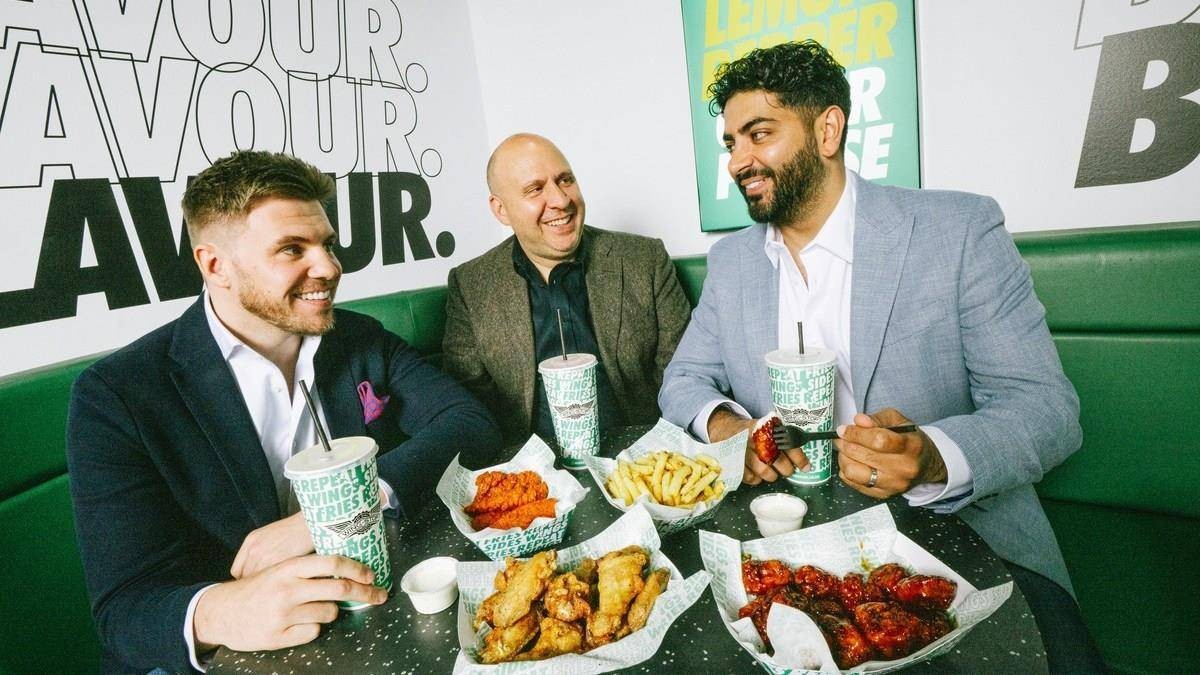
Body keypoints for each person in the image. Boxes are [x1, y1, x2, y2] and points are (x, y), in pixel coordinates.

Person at [659, 41, 1104, 672]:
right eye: (731, 143)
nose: (738, 160)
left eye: (760, 134)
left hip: (962, 545)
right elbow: (682, 380)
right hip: (786, 555)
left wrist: (931, 457)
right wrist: (731, 428)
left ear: (828, 130)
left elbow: (1048, 410)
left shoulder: (958, 230)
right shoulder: (731, 263)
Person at [66, 150, 501, 673]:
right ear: (215, 265)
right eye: (293, 249)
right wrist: (221, 611)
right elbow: (124, 608)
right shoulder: (116, 395)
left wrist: (336, 515)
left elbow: (469, 423)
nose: (329, 267)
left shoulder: (359, 338)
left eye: (327, 245)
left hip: (372, 610)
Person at [443, 134, 691, 444]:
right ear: (501, 209)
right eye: (535, 189)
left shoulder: (645, 260)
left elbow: (684, 372)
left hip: (643, 454)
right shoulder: (471, 285)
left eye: (565, 180)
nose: (561, 200)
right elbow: (469, 401)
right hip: (528, 465)